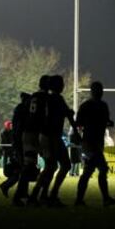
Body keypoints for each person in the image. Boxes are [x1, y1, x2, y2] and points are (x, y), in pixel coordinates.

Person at [31, 75, 75, 207]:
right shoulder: (57, 99)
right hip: (51, 136)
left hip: (49, 136)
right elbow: (68, 115)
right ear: (57, 86)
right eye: (61, 83)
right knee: (56, 166)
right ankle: (44, 196)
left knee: (56, 166)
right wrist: (76, 131)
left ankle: (44, 195)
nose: (63, 86)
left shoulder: (48, 98)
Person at [74, 81, 115, 207]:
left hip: (94, 143)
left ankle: (81, 199)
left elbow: (79, 123)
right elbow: (80, 123)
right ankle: (104, 199)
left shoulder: (90, 106)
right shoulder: (97, 106)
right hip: (90, 143)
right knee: (101, 169)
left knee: (89, 171)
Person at [13, 76, 48, 206]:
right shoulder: (45, 98)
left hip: (28, 133)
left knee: (30, 165)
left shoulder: (33, 97)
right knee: (31, 166)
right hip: (34, 133)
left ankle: (24, 195)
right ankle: (22, 196)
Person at [0, 96, 25, 198]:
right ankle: (11, 188)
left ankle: (10, 187)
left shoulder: (17, 115)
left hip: (17, 148)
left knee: (22, 171)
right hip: (18, 149)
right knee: (23, 170)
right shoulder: (16, 127)